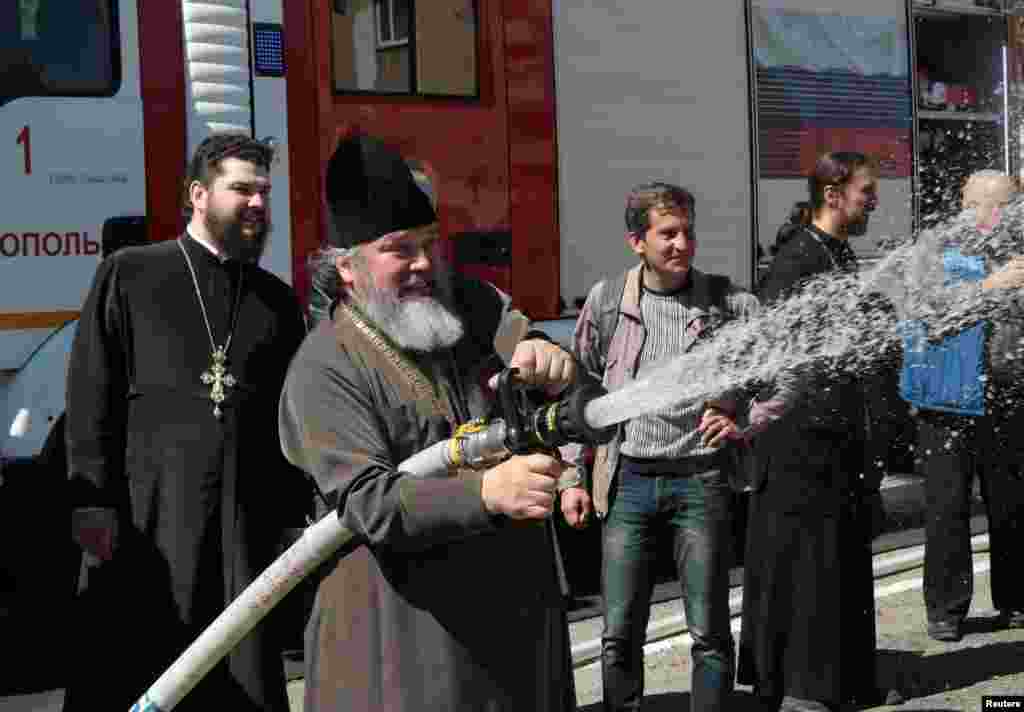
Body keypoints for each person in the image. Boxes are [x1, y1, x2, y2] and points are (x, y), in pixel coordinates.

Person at [279, 133, 581, 712]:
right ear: (348, 267)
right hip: (406, 648)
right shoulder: (324, 365)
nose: (424, 263)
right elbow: (370, 503)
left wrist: (551, 356)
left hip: (512, 636)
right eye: (400, 248)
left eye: (429, 243)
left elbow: (552, 374)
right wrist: (489, 491)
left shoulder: (469, 308)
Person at [64, 133, 310, 711]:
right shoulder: (129, 274)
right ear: (198, 194)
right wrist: (90, 501)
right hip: (148, 523)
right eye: (241, 189)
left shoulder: (274, 301)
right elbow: (89, 391)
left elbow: (287, 419)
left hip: (242, 531)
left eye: (265, 192)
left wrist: (291, 518)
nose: (257, 204)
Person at [560, 182, 758, 712]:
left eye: (688, 232)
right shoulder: (606, 303)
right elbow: (577, 398)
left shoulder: (730, 304)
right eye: (667, 233)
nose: (682, 244)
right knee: (619, 631)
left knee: (709, 631)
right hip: (628, 484)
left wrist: (743, 417)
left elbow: (780, 378)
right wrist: (571, 478)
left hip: (702, 482)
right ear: (637, 242)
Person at [737, 151, 881, 712]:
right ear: (834, 192)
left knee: (837, 560)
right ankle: (801, 686)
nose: (874, 201)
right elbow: (772, 348)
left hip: (833, 435)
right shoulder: (797, 259)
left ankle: (841, 680)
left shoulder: (838, 252)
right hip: (799, 440)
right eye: (867, 190)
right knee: (804, 564)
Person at [898, 169, 1024, 642]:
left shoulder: (1018, 243)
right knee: (947, 507)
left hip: (1008, 395)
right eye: (997, 205)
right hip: (947, 399)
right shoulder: (935, 246)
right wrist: (991, 287)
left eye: (1011, 204)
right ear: (967, 203)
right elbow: (925, 310)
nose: (1005, 214)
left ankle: (1015, 600)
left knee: (1011, 504)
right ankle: (947, 609)